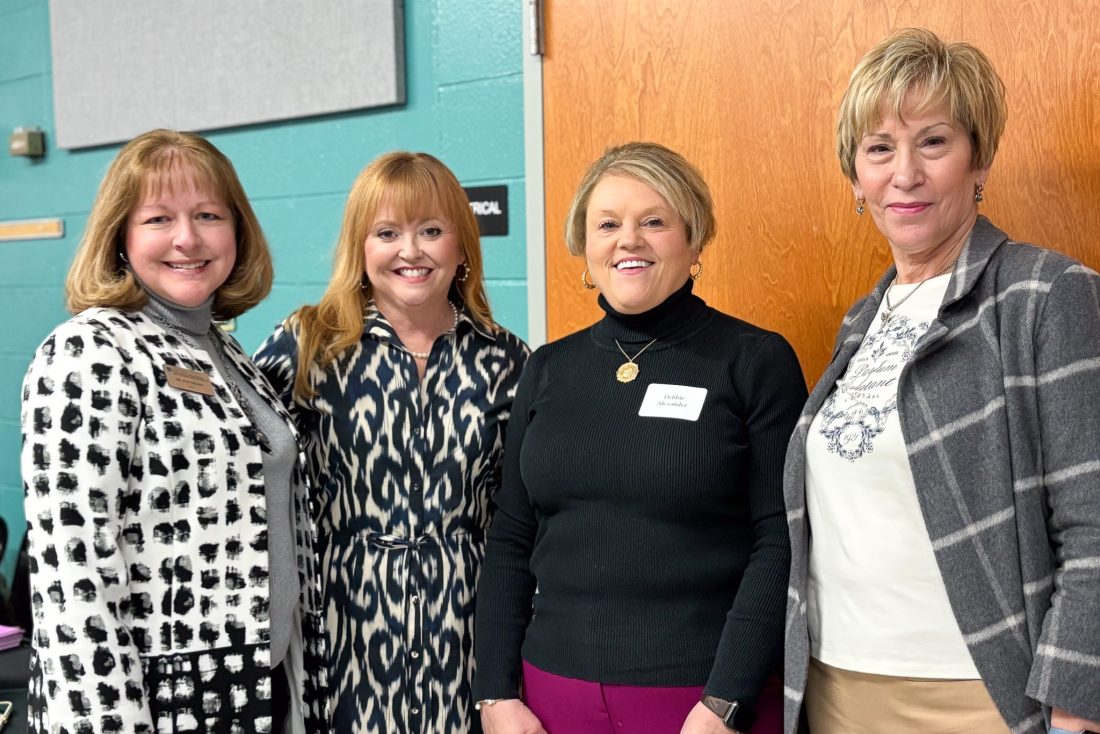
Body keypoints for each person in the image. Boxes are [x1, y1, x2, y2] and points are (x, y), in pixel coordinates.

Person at [781, 28, 1100, 734]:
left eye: (933, 142)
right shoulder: (862, 321)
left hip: (978, 696)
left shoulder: (1045, 294)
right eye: (879, 149)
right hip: (836, 687)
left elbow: (1094, 523)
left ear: (978, 160)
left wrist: (1075, 705)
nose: (905, 174)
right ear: (856, 179)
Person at [474, 142, 806, 734]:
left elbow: (780, 539)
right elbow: (510, 536)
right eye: (608, 224)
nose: (629, 240)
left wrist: (727, 701)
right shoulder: (548, 368)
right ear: (585, 245)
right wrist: (495, 693)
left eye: (654, 221)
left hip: (699, 705)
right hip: (551, 699)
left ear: (693, 239)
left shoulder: (752, 361)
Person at [20, 129, 328, 734]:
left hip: (266, 680)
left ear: (237, 233)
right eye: (159, 218)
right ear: (121, 237)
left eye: (208, 215)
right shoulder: (91, 351)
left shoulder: (225, 351)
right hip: (161, 696)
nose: (188, 238)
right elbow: (73, 574)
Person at [253, 151, 528, 734]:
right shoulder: (308, 344)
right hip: (338, 618)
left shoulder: (506, 358)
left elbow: (522, 513)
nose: (411, 251)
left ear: (460, 246)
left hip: (467, 620)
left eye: (431, 230)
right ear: (361, 246)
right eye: (387, 232)